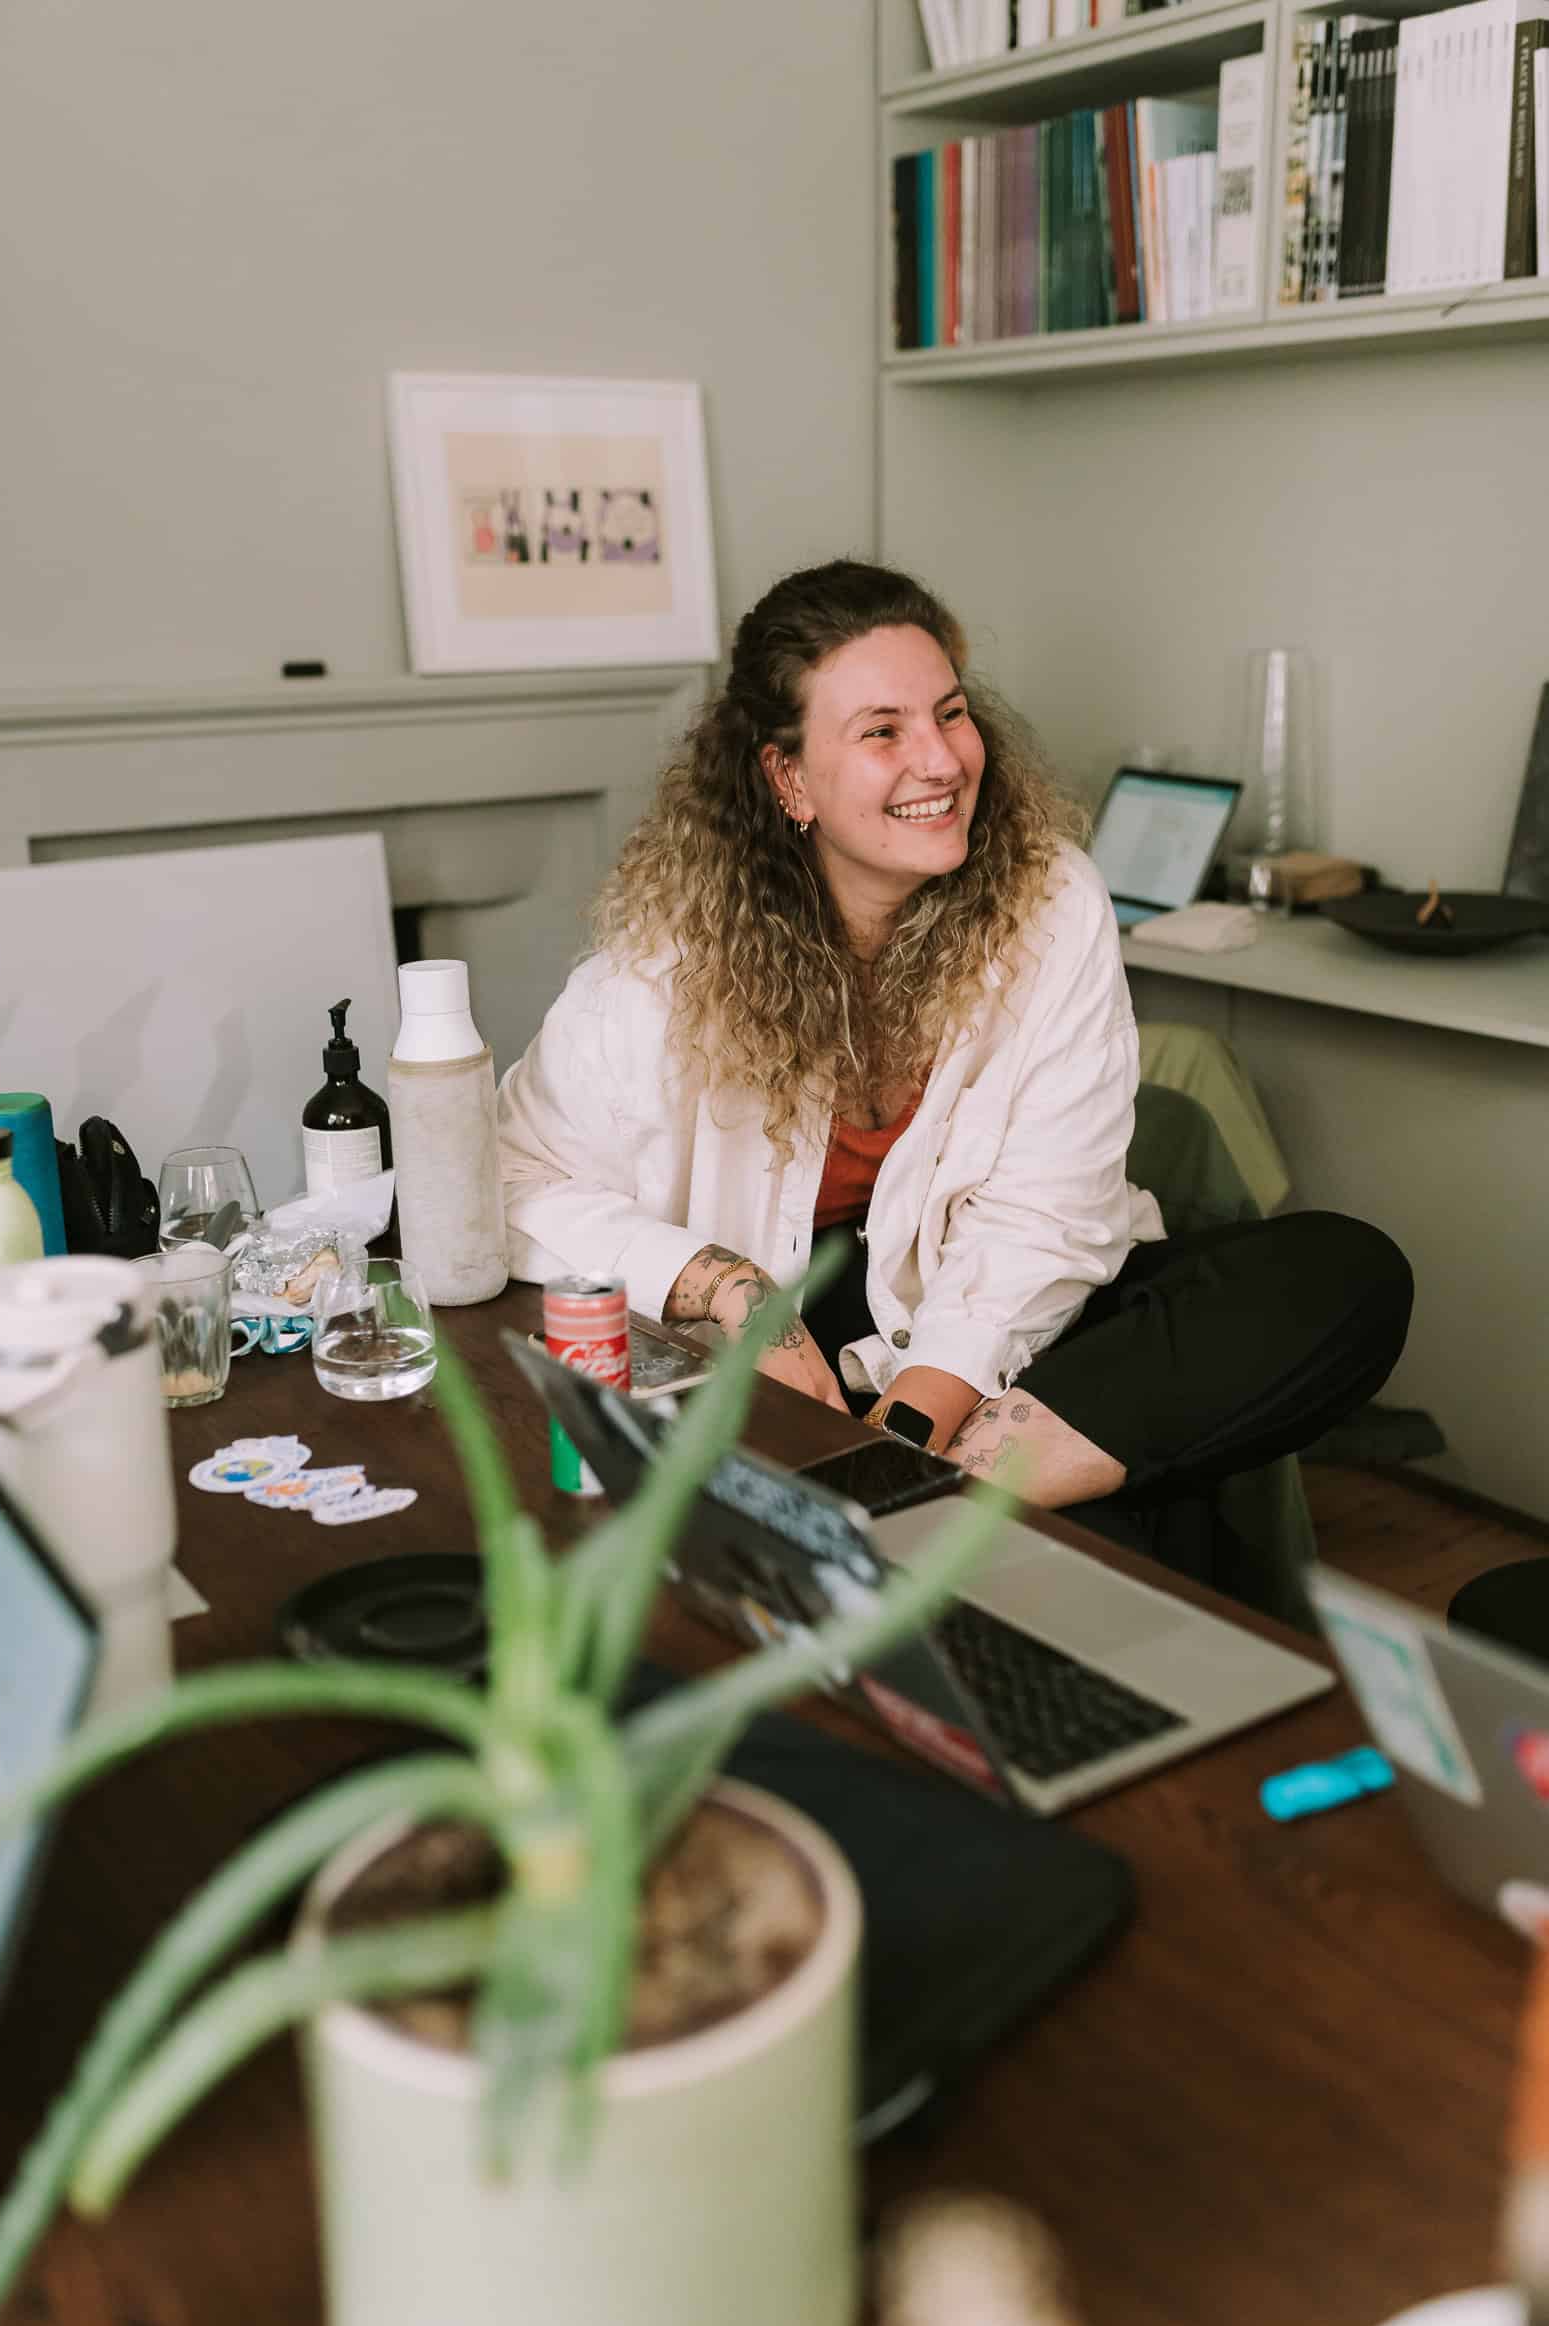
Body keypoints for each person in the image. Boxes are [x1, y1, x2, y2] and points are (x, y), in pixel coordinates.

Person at [496, 558, 1412, 1575]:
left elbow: (1042, 1222)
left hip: (1004, 1316)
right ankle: (951, 1519)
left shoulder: (1049, 898)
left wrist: (915, 1419)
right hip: (804, 1321)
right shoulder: (673, 958)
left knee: (1346, 1273)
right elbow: (509, 1182)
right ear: (787, 777)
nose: (939, 760)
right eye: (883, 731)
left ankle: (905, 1500)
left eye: (950, 713)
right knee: (1078, 1564)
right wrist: (726, 1287)